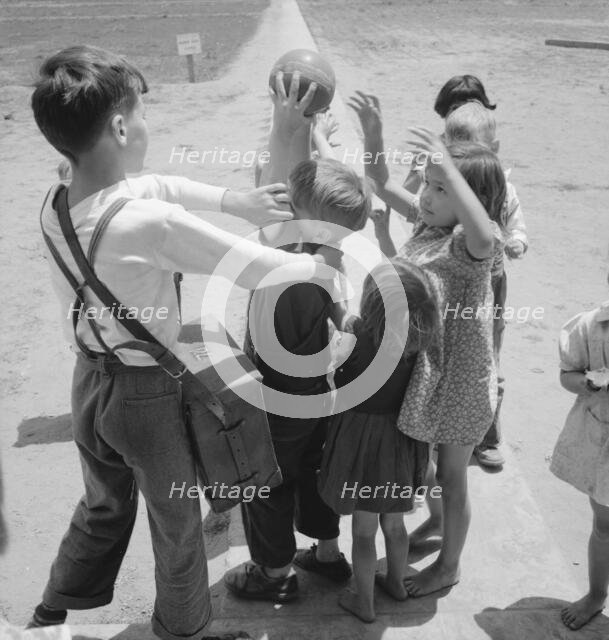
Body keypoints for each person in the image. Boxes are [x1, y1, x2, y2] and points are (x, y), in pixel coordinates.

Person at [28, 45, 341, 640]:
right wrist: (327, 260)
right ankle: (188, 631)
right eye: (141, 114)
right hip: (145, 401)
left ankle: (52, 609)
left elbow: (154, 184)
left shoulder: (58, 199)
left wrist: (236, 201)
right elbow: (263, 267)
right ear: (120, 127)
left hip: (89, 386)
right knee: (178, 531)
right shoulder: (148, 225)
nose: (146, 124)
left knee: (102, 506)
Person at [350, 92, 506, 597]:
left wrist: (449, 170)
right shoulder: (430, 223)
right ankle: (436, 525)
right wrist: (374, 135)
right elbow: (382, 183)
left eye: (441, 189)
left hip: (462, 380)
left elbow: (485, 234)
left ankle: (449, 565)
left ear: (467, 200)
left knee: (454, 474)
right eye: (433, 187)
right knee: (434, 468)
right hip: (433, 374)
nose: (429, 196)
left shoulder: (469, 244)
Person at [224, 72, 369, 603]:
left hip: (277, 399)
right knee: (314, 469)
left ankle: (274, 574)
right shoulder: (335, 259)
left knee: (265, 482)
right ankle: (327, 555)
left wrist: (287, 125)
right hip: (320, 394)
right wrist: (316, 134)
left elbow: (287, 185)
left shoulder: (285, 263)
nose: (280, 204)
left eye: (291, 205)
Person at [318, 259, 438, 622]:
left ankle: (364, 601)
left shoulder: (358, 335)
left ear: (371, 301)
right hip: (400, 445)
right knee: (396, 525)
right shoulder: (416, 342)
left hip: (362, 446)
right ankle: (398, 584)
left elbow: (340, 318)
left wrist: (330, 284)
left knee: (364, 534)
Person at [444, 100, 528, 468]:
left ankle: (487, 436)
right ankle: (440, 428)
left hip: (489, 287)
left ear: (492, 150)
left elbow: (517, 226)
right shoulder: (445, 181)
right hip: (448, 279)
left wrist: (516, 241)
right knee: (442, 354)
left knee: (487, 358)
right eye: (453, 150)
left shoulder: (504, 190)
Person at [550, 287, 609, 631]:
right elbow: (567, 375)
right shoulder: (591, 326)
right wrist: (589, 382)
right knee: (603, 526)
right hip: (600, 442)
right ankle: (596, 593)